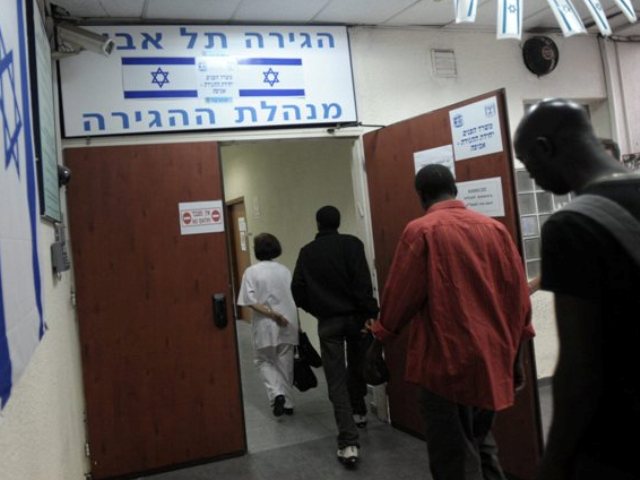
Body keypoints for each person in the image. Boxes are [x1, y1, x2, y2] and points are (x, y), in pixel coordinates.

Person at [367, 164, 534, 480]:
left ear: (421, 194)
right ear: (455, 189)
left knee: (453, 459)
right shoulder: (495, 230)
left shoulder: (422, 231)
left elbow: (400, 297)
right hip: (493, 360)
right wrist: (517, 359)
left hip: (446, 364)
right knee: (483, 444)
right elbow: (519, 301)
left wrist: (378, 343)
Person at [514, 98, 640, 480]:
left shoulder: (573, 224)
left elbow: (579, 366)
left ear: (545, 148)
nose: (534, 179)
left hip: (621, 439)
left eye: (531, 167)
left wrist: (553, 461)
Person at [291, 205, 379, 466]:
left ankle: (348, 442)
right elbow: (363, 282)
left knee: (336, 378)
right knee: (357, 366)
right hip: (356, 318)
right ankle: (360, 410)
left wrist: (316, 309)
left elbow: (297, 290)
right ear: (338, 222)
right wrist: (370, 313)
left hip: (328, 322)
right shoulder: (352, 245)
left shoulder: (307, 253)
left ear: (318, 224)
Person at [237, 233, 299, 417]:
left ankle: (276, 394)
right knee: (285, 363)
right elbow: (293, 299)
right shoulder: (285, 270)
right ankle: (288, 404)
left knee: (263, 360)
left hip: (266, 324)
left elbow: (250, 301)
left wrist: (272, 314)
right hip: (288, 323)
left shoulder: (251, 272)